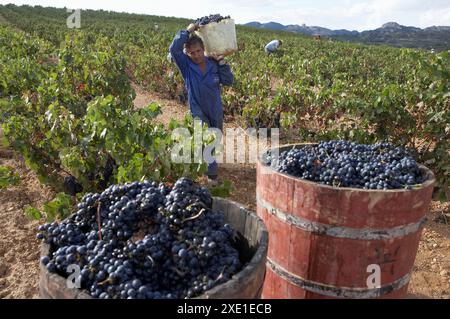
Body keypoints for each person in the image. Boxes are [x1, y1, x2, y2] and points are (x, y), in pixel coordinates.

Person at [169, 23, 234, 182]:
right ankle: (211, 175)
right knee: (205, 137)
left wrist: (222, 63)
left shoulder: (213, 62)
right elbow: (173, 49)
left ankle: (204, 162)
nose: (196, 55)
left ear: (203, 48)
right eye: (192, 53)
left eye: (199, 51)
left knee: (215, 136)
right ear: (187, 53)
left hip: (215, 108)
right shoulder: (185, 64)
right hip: (197, 107)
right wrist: (189, 30)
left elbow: (228, 81)